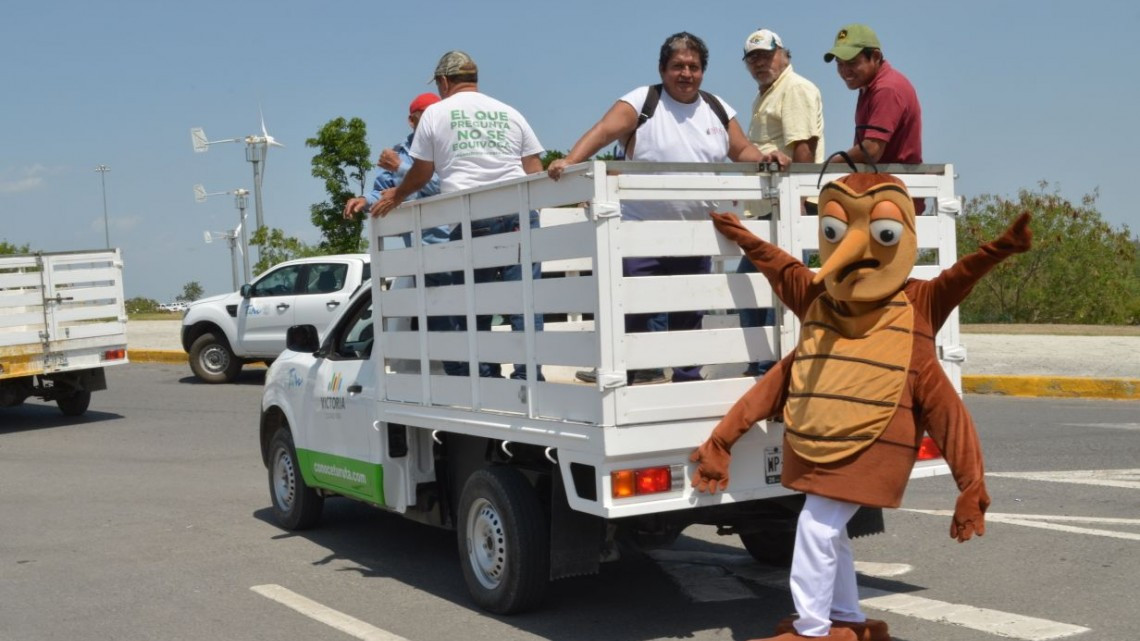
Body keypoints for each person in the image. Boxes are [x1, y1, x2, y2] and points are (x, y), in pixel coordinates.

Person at [548, 31, 782, 386]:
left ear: (703, 71)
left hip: (695, 233)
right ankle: (633, 374)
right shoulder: (643, 101)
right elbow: (603, 131)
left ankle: (687, 378)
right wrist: (570, 160)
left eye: (694, 66)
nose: (686, 73)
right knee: (634, 308)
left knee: (689, 308)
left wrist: (766, 159)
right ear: (662, 69)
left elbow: (743, 151)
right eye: (678, 66)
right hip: (638, 231)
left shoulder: (717, 108)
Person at [372, 51, 545, 380]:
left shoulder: (436, 114)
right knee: (525, 300)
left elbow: (422, 173)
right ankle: (529, 374)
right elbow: (533, 169)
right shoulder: (510, 112)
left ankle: (485, 375)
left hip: (472, 218)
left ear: (444, 81)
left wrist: (398, 193)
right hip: (519, 215)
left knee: (474, 305)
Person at [737, 28, 825, 377]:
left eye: (766, 55)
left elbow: (803, 149)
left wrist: (798, 201)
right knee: (755, 289)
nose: (760, 63)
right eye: (753, 58)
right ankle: (763, 365)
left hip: (787, 208)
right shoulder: (767, 94)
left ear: (784, 54)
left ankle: (772, 369)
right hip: (766, 209)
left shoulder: (795, 88)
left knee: (777, 293)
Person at [343, 93, 444, 246]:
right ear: (411, 120)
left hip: (451, 242)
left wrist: (399, 167)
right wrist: (364, 200)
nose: (433, 121)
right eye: (426, 115)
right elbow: (384, 193)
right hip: (416, 248)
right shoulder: (398, 153)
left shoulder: (448, 149)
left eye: (438, 116)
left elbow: (442, 187)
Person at [824, 24, 922, 166]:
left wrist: (829, 165)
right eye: (839, 64)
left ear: (875, 56)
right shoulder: (869, 86)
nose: (845, 71)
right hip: (883, 178)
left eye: (852, 62)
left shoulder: (886, 89)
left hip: (893, 182)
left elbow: (871, 150)